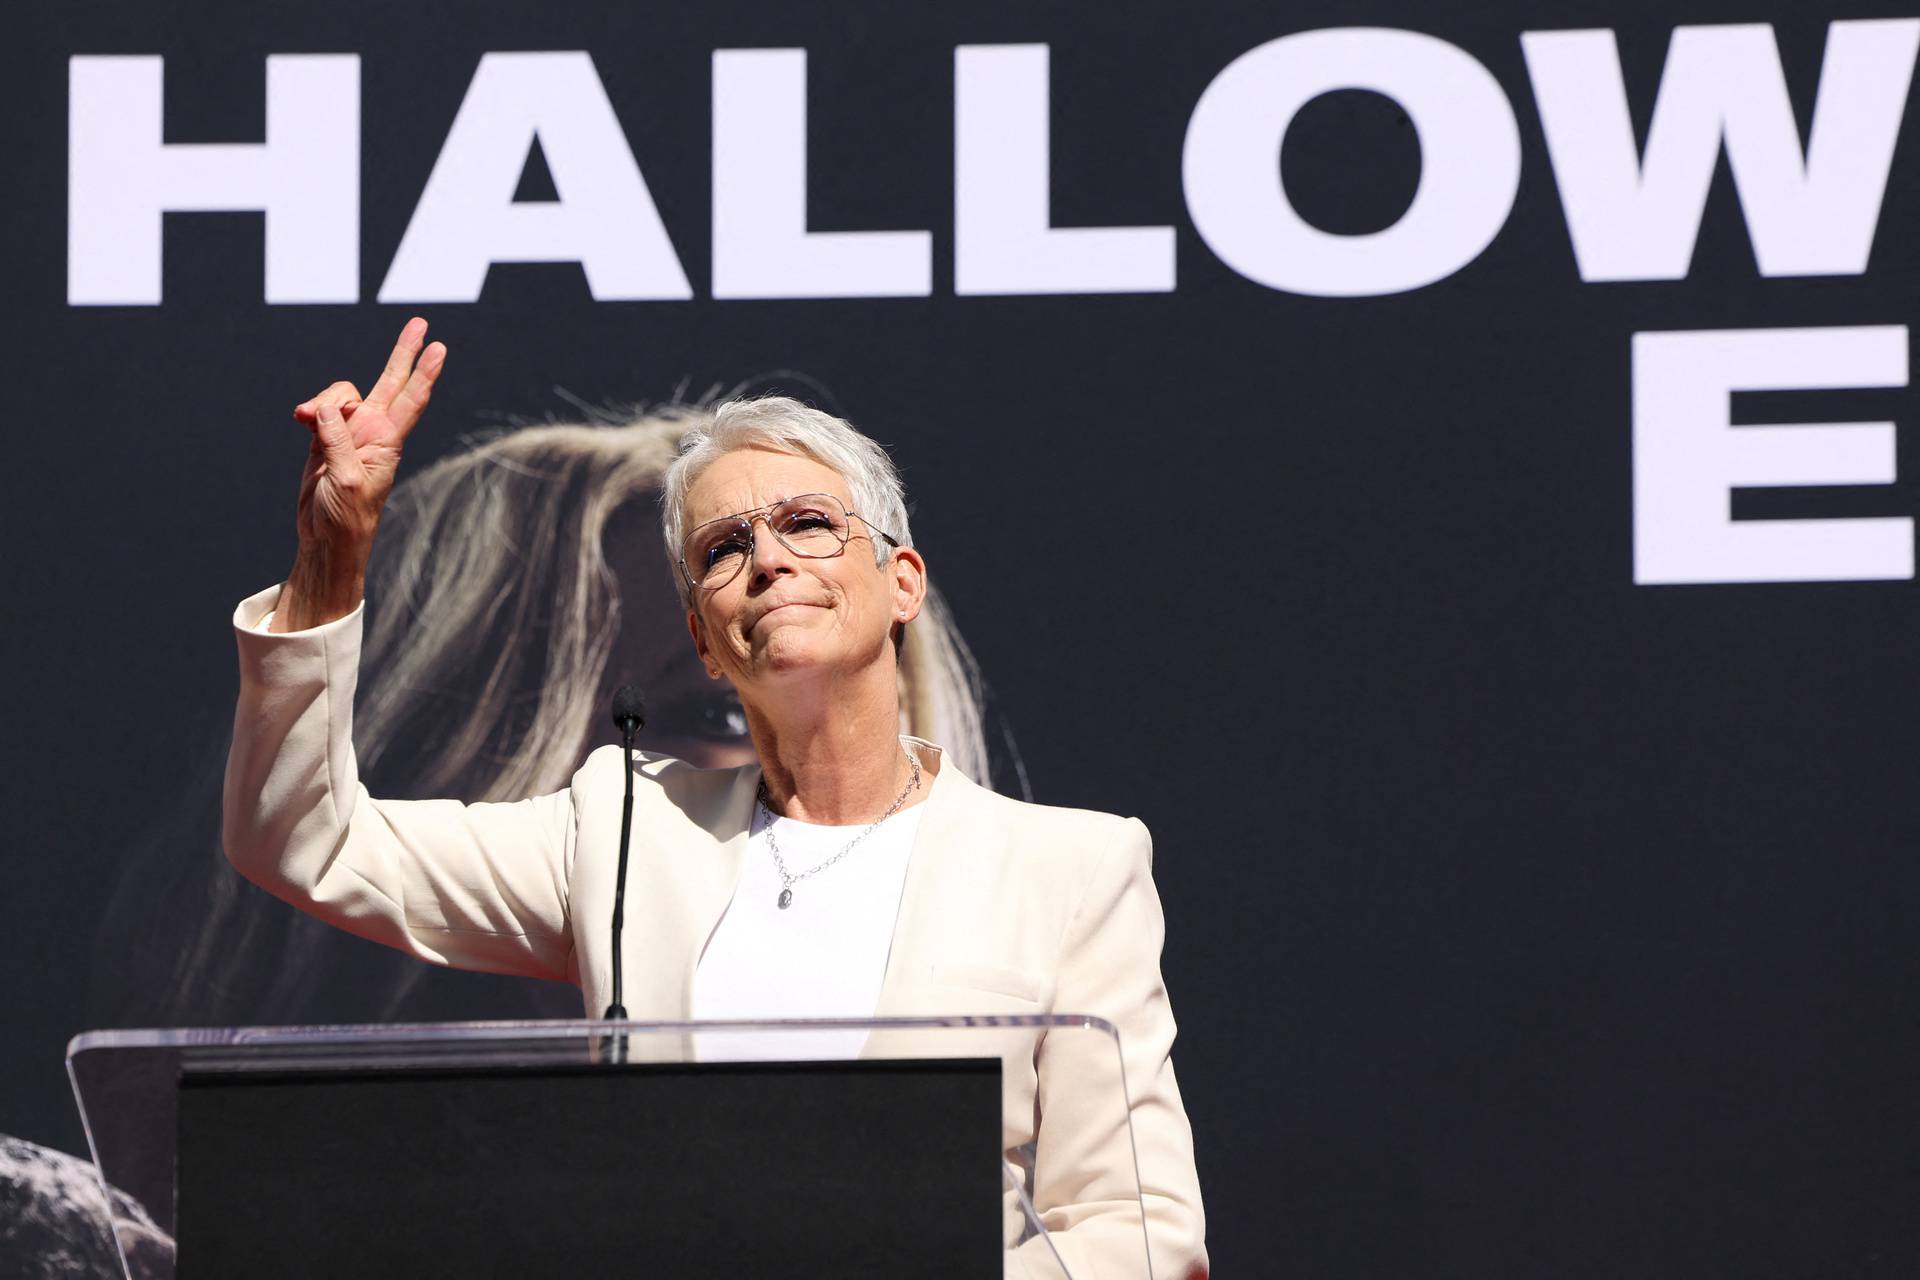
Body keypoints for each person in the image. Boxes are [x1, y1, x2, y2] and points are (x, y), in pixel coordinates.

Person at [222, 319, 1207, 1277]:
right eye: (723, 549)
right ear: (707, 636)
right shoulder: (622, 827)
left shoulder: (1070, 866)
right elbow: (308, 835)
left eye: (809, 524)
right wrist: (332, 559)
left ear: (900, 581)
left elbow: (1140, 1231)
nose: (767, 559)